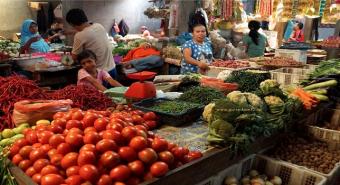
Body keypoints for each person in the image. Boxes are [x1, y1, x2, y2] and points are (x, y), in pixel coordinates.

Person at [66, 9, 117, 79]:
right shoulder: (99, 26)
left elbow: (72, 59)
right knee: (114, 90)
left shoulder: (79, 36)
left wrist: (63, 60)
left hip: (100, 74)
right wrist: (71, 32)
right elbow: (88, 32)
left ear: (71, 24)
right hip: (112, 69)